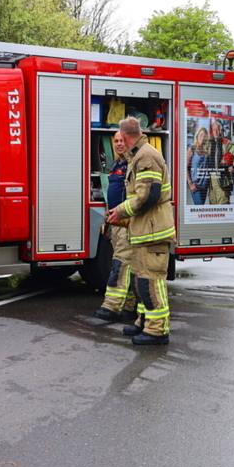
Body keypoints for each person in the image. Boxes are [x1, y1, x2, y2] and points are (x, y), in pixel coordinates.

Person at [106, 117, 177, 346]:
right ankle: (144, 323)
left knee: (151, 282)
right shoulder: (138, 155)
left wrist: (121, 211)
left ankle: (157, 331)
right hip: (144, 231)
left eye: (120, 138)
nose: (119, 143)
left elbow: (148, 196)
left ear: (125, 137)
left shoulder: (146, 156)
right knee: (140, 282)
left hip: (153, 232)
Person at [93, 131, 138, 323]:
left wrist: (123, 215)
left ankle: (111, 307)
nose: (119, 144)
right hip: (116, 222)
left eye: (123, 140)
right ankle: (129, 307)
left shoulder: (133, 164)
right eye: (116, 141)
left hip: (127, 224)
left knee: (120, 265)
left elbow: (138, 195)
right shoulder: (116, 164)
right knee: (129, 267)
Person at [207, 120, 234, 205]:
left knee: (223, 203)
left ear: (221, 130)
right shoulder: (210, 144)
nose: (216, 132)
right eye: (214, 130)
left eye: (218, 129)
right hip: (211, 181)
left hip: (223, 178)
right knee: (213, 204)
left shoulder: (227, 143)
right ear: (212, 131)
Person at [186, 126, 210, 205]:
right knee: (199, 207)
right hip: (195, 185)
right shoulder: (192, 148)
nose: (202, 137)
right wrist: (190, 183)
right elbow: (185, 167)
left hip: (204, 185)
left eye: (204, 136)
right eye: (201, 135)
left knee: (201, 209)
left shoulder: (207, 150)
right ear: (197, 135)